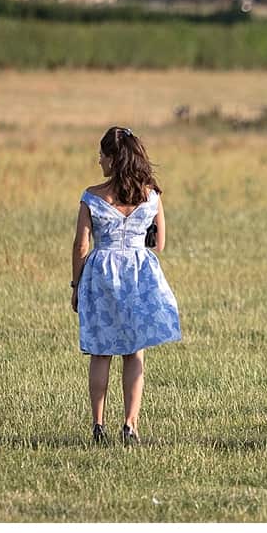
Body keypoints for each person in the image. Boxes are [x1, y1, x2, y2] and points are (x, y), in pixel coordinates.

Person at [71, 126, 181, 446]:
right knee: (134, 353)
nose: (100, 161)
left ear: (113, 158)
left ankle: (98, 425)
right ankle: (130, 425)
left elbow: (81, 246)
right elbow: (158, 243)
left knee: (101, 352)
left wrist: (76, 285)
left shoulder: (92, 196)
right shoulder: (152, 195)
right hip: (138, 274)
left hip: (101, 272)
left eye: (102, 155)